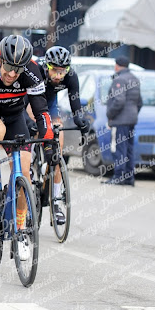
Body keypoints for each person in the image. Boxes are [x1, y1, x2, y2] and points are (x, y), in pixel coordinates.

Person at [0, 35, 53, 261]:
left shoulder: (33, 71)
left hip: (16, 116)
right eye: (8, 67)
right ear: (0, 61)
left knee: (24, 174)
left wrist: (48, 141)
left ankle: (21, 230)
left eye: (17, 70)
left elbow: (41, 112)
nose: (11, 74)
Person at [24, 46, 90, 224]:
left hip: (50, 103)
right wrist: (30, 122)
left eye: (63, 71)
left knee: (57, 143)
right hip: (31, 101)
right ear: (47, 66)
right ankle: (29, 162)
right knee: (32, 127)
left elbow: (74, 102)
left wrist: (80, 121)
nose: (59, 76)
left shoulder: (71, 76)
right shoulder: (36, 70)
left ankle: (56, 200)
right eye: (55, 70)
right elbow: (25, 101)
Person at [103, 56, 142, 186]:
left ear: (117, 66)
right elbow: (139, 102)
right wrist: (134, 113)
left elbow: (119, 101)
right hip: (131, 119)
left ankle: (118, 176)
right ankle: (129, 178)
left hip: (120, 120)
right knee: (129, 148)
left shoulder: (119, 79)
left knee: (119, 148)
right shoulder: (135, 79)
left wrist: (110, 114)